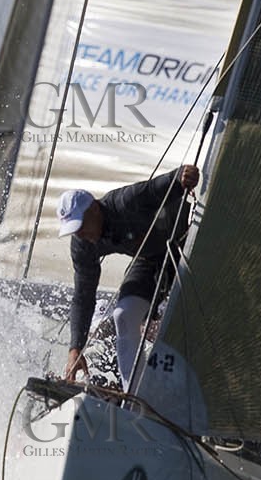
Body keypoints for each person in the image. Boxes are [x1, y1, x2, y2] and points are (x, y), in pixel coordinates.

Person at [61, 164, 199, 388]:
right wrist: (76, 346)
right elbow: (83, 295)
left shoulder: (124, 202)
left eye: (82, 226)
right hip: (151, 260)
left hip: (190, 244)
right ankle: (134, 398)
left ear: (95, 208)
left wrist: (181, 176)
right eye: (75, 231)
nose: (82, 235)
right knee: (123, 316)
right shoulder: (82, 243)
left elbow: (156, 188)